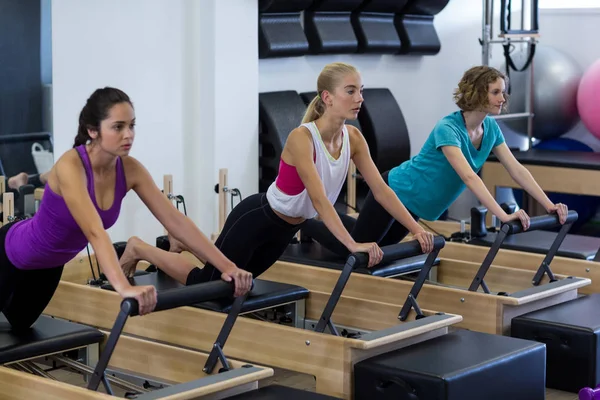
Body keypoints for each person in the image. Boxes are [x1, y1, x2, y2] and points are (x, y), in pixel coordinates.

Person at [117, 62, 435, 287]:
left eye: (360, 90)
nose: (359, 98)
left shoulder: (353, 138)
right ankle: (139, 248)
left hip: (283, 232)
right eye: (350, 91)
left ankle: (182, 244)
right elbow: (320, 201)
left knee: (235, 287)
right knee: (209, 286)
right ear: (327, 97)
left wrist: (415, 229)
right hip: (257, 219)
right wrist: (352, 245)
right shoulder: (302, 139)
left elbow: (381, 190)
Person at [0, 87, 253, 331]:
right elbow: (95, 231)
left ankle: (29, 179)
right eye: (118, 127)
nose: (128, 135)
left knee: (20, 324)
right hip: (10, 253)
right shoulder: (71, 165)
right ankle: (28, 180)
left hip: (49, 266)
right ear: (93, 130)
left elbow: (175, 220)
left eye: (131, 125)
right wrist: (123, 287)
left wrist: (227, 266)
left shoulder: (130, 169)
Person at [301, 65, 570, 257]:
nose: (503, 98)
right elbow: (468, 176)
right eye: (496, 92)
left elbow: (517, 170)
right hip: (397, 190)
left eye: (503, 92)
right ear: (478, 94)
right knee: (358, 248)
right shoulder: (448, 128)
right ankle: (305, 223)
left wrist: (549, 205)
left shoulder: (491, 130)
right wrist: (503, 216)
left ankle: (331, 221)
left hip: (416, 203)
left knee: (378, 246)